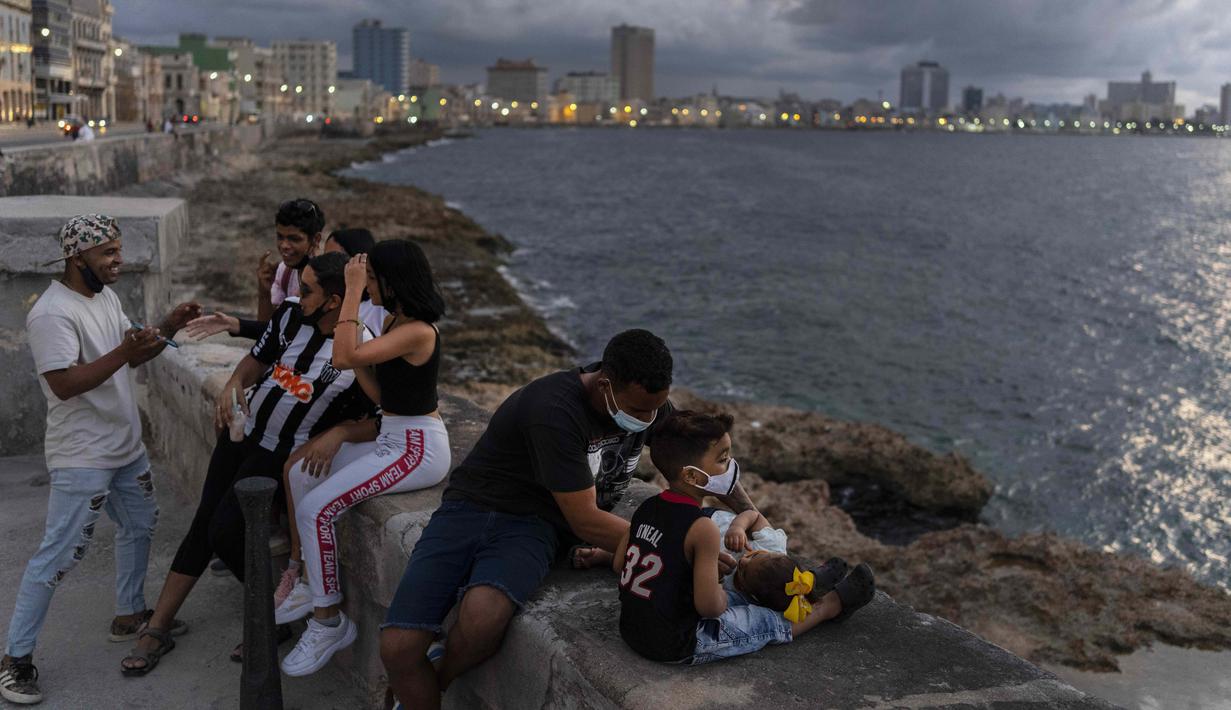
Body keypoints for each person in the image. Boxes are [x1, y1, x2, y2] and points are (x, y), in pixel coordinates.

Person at [379, 329, 755, 709]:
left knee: (482, 617)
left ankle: (437, 676)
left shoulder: (649, 406)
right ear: (605, 385)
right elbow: (585, 520)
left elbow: (701, 461)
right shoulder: (554, 410)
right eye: (639, 412)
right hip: (470, 508)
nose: (648, 421)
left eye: (655, 410)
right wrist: (680, 550)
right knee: (398, 647)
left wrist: (751, 513)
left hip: (536, 524)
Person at [118, 252, 377, 676]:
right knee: (206, 521)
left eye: (307, 290)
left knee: (223, 531)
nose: (296, 295)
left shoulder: (359, 349)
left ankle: (273, 612)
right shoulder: (290, 315)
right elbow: (258, 358)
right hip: (243, 437)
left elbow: (380, 418)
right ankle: (160, 627)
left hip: (280, 457)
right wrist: (234, 382)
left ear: (334, 301)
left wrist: (340, 433)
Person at [1, 215, 200, 705]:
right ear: (77, 258)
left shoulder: (104, 296)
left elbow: (132, 351)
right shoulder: (51, 313)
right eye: (108, 252)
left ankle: (130, 615)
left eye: (118, 249)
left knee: (139, 524)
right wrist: (124, 352)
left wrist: (168, 326)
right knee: (58, 556)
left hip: (124, 447)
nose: (119, 261)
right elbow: (64, 385)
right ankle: (15, 660)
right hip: (82, 455)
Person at [276, 239, 451, 677]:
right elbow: (381, 395)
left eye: (372, 279)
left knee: (317, 509)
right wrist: (357, 354)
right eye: (365, 279)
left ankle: (328, 620)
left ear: (393, 281)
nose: (367, 285)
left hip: (417, 447)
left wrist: (351, 289)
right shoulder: (394, 322)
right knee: (301, 474)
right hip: (392, 434)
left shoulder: (419, 331)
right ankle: (307, 581)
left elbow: (341, 355)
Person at [615, 409, 877, 665]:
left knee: (745, 593)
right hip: (674, 642)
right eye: (722, 460)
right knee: (763, 620)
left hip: (631, 628)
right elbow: (710, 608)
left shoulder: (646, 508)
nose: (730, 466)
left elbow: (619, 564)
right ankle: (830, 606)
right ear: (692, 475)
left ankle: (801, 586)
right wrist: (713, 580)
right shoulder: (702, 528)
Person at [185, 225, 383, 342]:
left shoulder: (378, 312)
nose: (326, 264)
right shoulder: (317, 299)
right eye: (325, 256)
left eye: (336, 258)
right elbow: (280, 330)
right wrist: (232, 323)